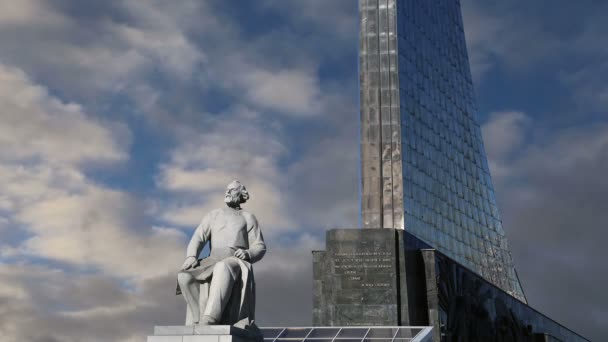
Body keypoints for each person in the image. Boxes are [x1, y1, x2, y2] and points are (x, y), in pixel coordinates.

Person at [176, 180, 266, 325]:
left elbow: (259, 245)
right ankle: (197, 319)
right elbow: (198, 237)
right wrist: (192, 256)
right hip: (212, 259)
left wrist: (248, 254)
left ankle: (211, 318)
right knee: (184, 277)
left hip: (235, 260)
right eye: (227, 190)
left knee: (222, 267)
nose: (228, 192)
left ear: (241, 194)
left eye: (233, 190)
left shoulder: (248, 217)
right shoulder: (213, 215)